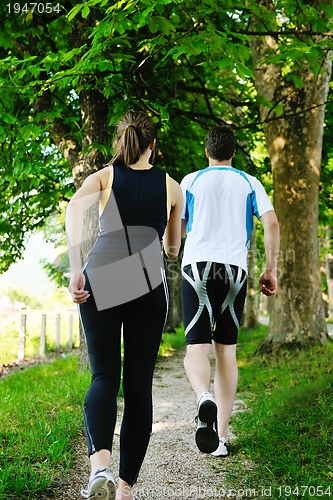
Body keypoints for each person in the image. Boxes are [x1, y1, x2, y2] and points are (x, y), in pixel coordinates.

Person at [66, 110, 183, 500]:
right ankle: (126, 489)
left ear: (120, 142)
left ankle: (99, 466)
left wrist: (74, 268)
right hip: (147, 281)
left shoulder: (104, 176)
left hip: (101, 274)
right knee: (137, 388)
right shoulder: (172, 187)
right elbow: (171, 248)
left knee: (103, 377)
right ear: (154, 145)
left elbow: (72, 210)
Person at [180, 125, 280, 457]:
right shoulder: (250, 182)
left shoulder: (190, 181)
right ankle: (220, 439)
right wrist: (270, 269)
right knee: (227, 352)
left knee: (196, 347)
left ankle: (202, 398)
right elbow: (272, 222)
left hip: (196, 267)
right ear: (233, 152)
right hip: (234, 270)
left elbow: (177, 229)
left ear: (206, 151)